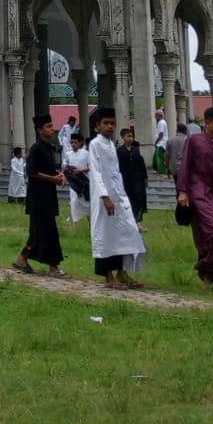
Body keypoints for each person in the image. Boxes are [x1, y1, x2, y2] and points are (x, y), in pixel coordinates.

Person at [88, 107, 146, 289]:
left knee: (126, 232)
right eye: (106, 123)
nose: (109, 126)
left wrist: (120, 195)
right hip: (103, 199)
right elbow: (96, 173)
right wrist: (105, 197)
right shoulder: (95, 144)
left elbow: (115, 173)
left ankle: (122, 272)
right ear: (98, 125)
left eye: (112, 123)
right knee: (106, 236)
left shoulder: (112, 144)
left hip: (119, 197)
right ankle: (108, 277)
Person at [177, 106, 213, 291]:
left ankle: (211, 278)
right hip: (199, 192)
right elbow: (185, 165)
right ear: (207, 122)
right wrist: (182, 190)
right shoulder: (194, 141)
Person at [12, 115, 67, 277]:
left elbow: (48, 170)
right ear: (40, 130)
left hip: (48, 195)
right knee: (45, 231)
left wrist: (59, 176)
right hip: (37, 197)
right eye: (48, 126)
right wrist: (53, 179)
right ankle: (52, 267)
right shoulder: (36, 148)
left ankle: (23, 258)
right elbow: (31, 172)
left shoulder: (49, 148)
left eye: (52, 126)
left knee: (42, 232)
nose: (52, 129)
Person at [116, 126, 149, 230]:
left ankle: (139, 222)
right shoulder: (119, 151)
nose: (130, 138)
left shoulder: (136, 150)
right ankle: (128, 222)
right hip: (125, 180)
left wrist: (145, 178)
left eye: (131, 136)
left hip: (137, 180)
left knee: (139, 199)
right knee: (128, 201)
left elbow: (142, 165)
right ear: (123, 137)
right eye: (128, 136)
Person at [63, 132, 91, 223]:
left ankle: (90, 221)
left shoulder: (86, 153)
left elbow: (91, 166)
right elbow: (64, 166)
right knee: (74, 201)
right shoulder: (68, 154)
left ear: (80, 143)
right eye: (71, 142)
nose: (73, 144)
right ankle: (75, 222)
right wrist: (66, 175)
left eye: (75, 142)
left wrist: (82, 170)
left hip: (84, 181)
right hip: (73, 182)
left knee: (87, 203)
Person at [152, 109, 170, 174]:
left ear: (159, 115)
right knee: (156, 157)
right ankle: (159, 170)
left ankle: (162, 171)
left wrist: (156, 142)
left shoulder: (161, 122)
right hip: (162, 143)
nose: (155, 117)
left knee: (159, 158)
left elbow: (161, 134)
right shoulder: (162, 122)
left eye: (155, 115)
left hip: (161, 144)